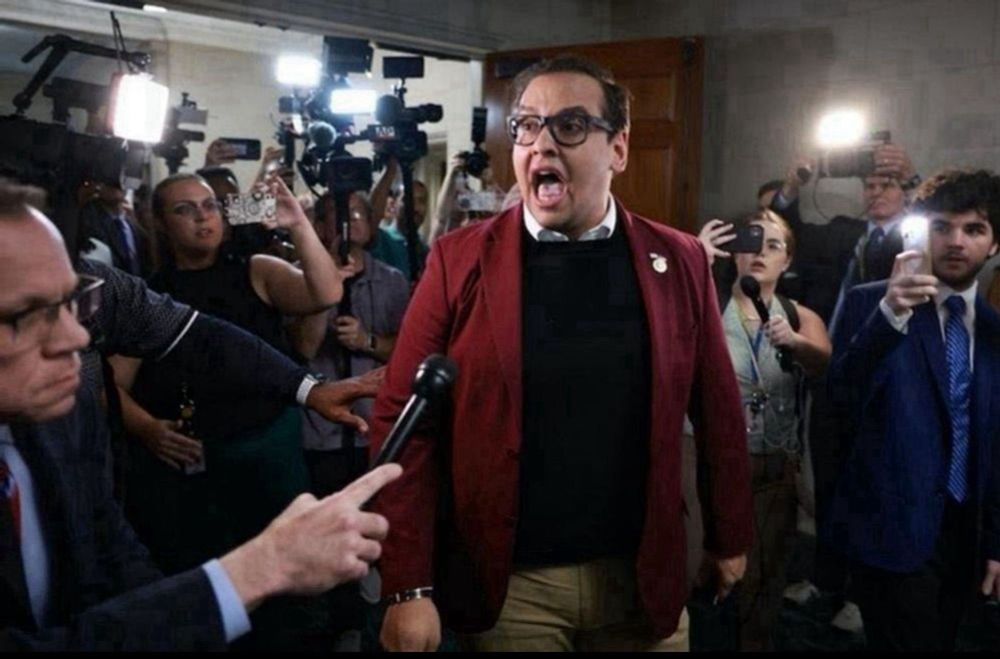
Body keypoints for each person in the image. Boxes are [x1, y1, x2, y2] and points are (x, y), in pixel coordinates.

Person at [372, 56, 753, 652]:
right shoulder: (459, 260)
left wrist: (729, 536)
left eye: (570, 126)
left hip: (641, 579)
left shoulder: (676, 260)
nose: (542, 143)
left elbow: (719, 411)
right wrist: (406, 587)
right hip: (512, 588)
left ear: (618, 148)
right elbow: (403, 423)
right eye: (527, 126)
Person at [0, 180, 401, 650]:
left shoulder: (61, 417)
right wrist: (257, 570)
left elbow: (111, 558)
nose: (77, 338)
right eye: (29, 314)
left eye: (74, 302)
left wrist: (309, 390)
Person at [824, 168, 1000, 650]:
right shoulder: (871, 304)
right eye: (942, 227)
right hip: (890, 533)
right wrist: (889, 318)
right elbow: (836, 401)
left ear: (995, 245)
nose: (956, 241)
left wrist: (995, 545)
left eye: (974, 229)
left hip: (965, 535)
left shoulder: (995, 332)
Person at [702, 209, 832, 649]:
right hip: (710, 467)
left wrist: (795, 344)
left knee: (763, 586)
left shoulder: (799, 316)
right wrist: (696, 261)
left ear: (787, 261)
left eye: (773, 246)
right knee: (702, 577)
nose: (760, 253)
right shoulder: (706, 306)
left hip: (774, 470)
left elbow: (824, 365)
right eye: (751, 242)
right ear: (734, 253)